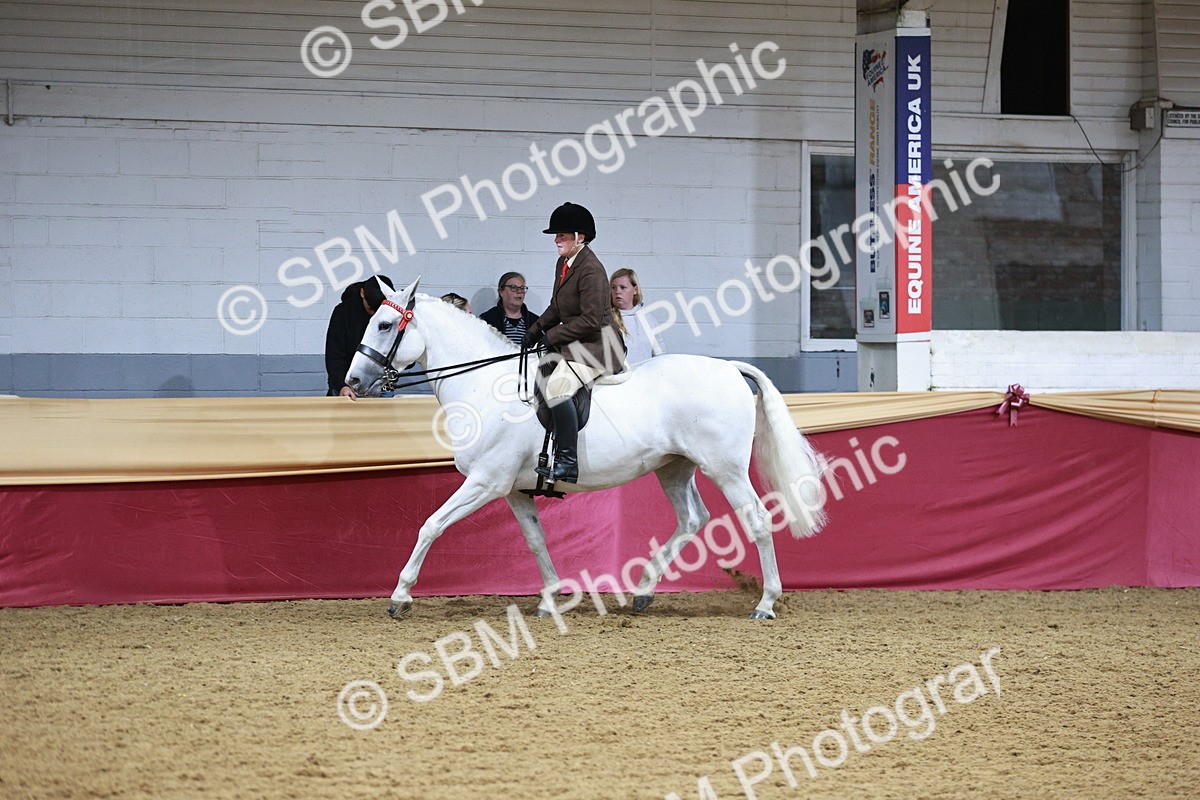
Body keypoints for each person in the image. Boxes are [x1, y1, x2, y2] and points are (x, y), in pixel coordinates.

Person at [522, 202, 626, 484]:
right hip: (578, 341)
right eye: (556, 236)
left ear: (580, 237)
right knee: (540, 376)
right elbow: (557, 307)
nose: (556, 240)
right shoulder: (564, 263)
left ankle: (567, 462)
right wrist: (534, 330)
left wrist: (551, 336)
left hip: (600, 345)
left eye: (563, 235)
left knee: (556, 388)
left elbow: (591, 320)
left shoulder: (591, 270)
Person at [325, 275, 394, 398]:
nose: (374, 314)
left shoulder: (391, 316)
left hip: (380, 386)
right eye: (370, 309)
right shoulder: (343, 313)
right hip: (348, 386)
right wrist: (342, 385)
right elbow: (334, 355)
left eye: (379, 311)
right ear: (362, 293)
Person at [610, 268, 665, 364]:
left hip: (645, 376)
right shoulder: (606, 319)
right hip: (618, 377)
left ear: (635, 290)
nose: (617, 291)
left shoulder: (648, 319)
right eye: (613, 287)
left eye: (623, 287)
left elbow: (660, 354)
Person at [479, 272, 539, 347]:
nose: (519, 292)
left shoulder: (536, 322)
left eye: (522, 288)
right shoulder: (487, 320)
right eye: (514, 288)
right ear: (501, 292)